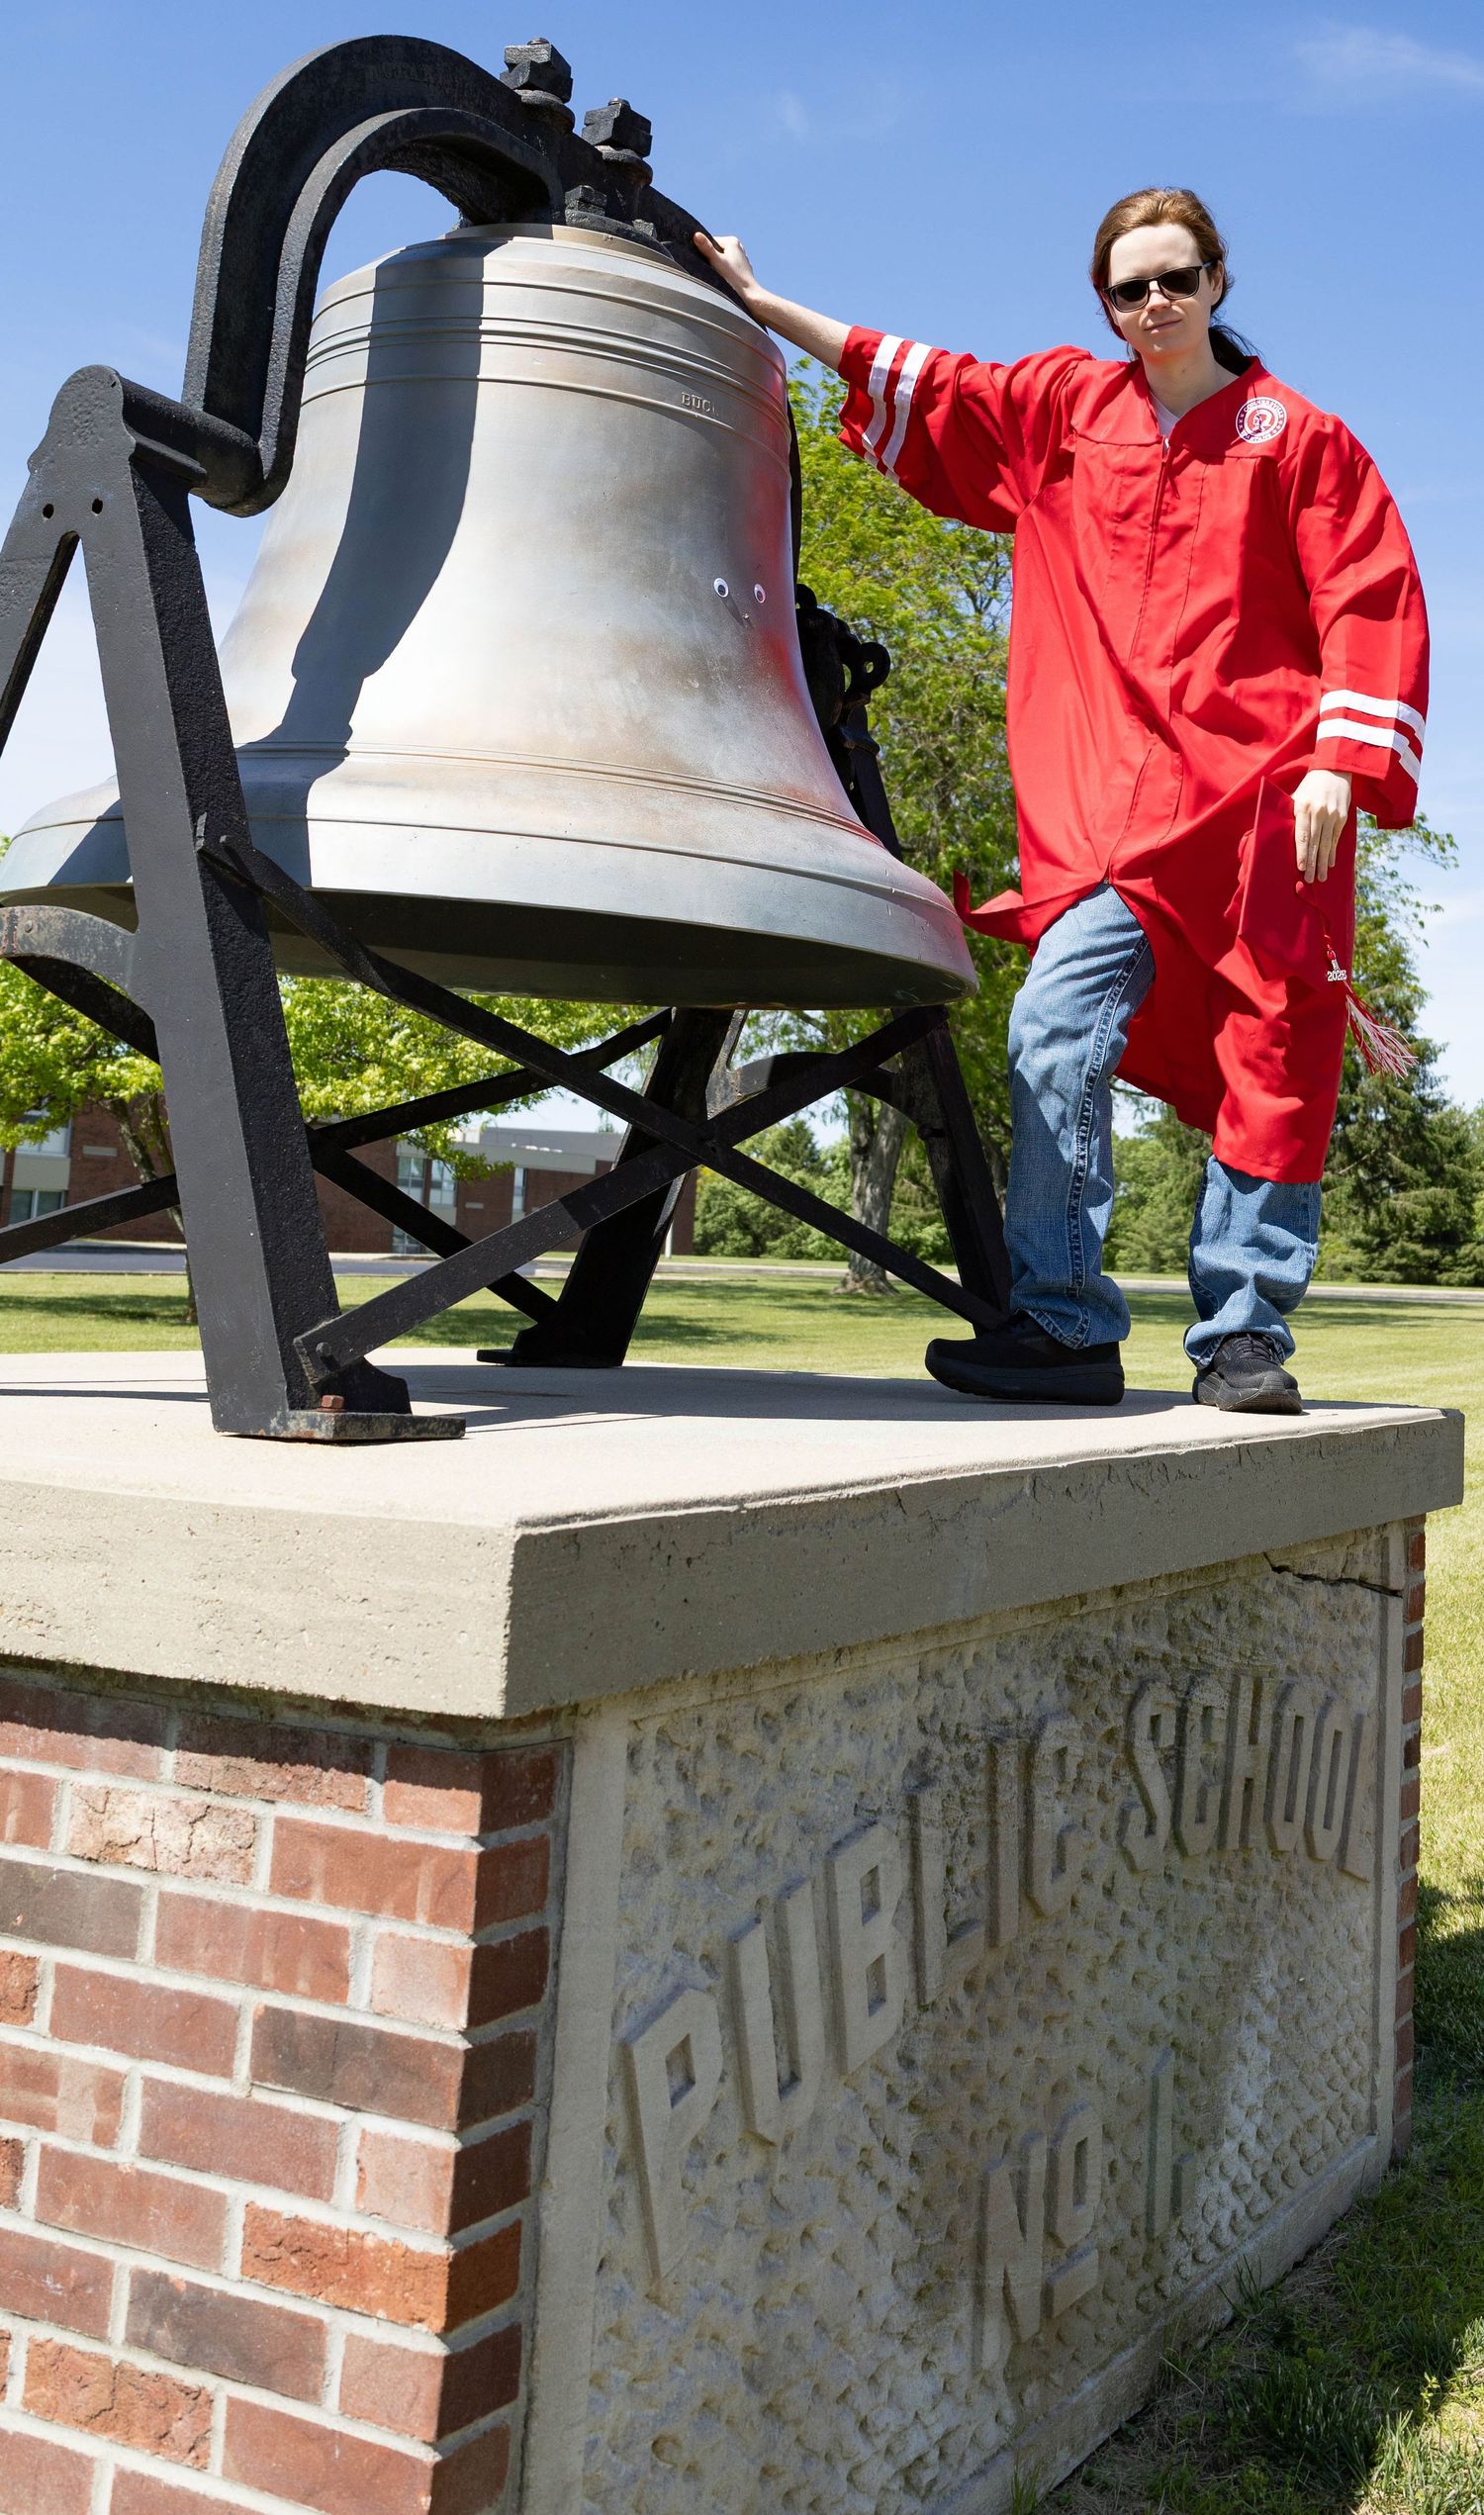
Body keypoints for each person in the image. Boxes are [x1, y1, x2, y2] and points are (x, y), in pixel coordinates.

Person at [696, 190, 1429, 1414]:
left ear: (1217, 282)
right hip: (1113, 813)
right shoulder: (1067, 412)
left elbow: (1369, 596)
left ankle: (1243, 1338)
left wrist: (1339, 768)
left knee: (1275, 1055)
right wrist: (768, 309)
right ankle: (1064, 1320)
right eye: (1130, 287)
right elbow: (931, 384)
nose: (1156, 303)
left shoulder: (1297, 438)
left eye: (1176, 278)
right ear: (1105, 302)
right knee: (1050, 1023)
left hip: (1256, 810)